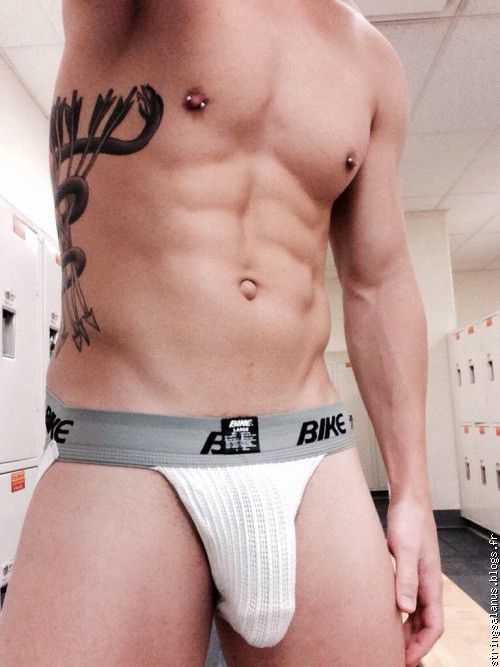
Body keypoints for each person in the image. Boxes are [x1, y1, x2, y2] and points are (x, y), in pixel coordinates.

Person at [0, 1, 444, 665]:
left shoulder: (370, 60)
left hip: (312, 454)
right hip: (126, 451)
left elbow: (377, 282)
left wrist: (413, 495)